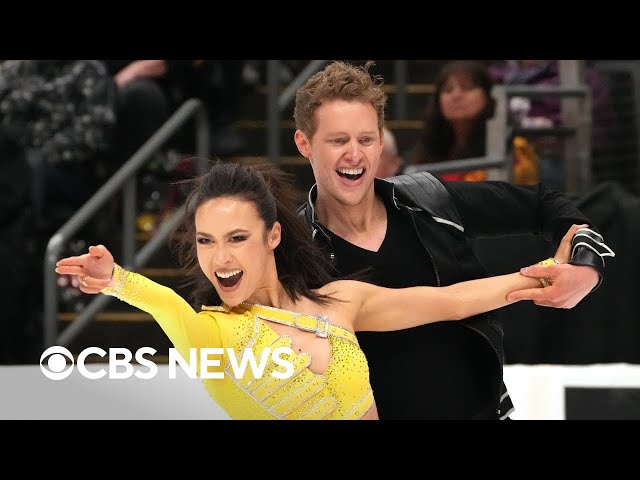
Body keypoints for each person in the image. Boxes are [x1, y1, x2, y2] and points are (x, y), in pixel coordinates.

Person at [55, 160, 579, 420]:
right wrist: (118, 280)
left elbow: (452, 301)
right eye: (207, 241)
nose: (221, 257)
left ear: (273, 236)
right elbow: (166, 304)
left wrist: (540, 275)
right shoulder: (210, 335)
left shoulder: (341, 300)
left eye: (238, 238)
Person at [294, 60, 615, 420]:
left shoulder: (429, 201)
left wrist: (588, 267)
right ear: (304, 143)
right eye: (338, 141)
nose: (354, 154)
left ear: (381, 141)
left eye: (366, 139)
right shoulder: (292, 251)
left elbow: (544, 204)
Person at [410, 60, 494, 181]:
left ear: (487, 96)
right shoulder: (428, 147)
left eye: (467, 88)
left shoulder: (505, 149)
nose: (456, 96)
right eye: (448, 90)